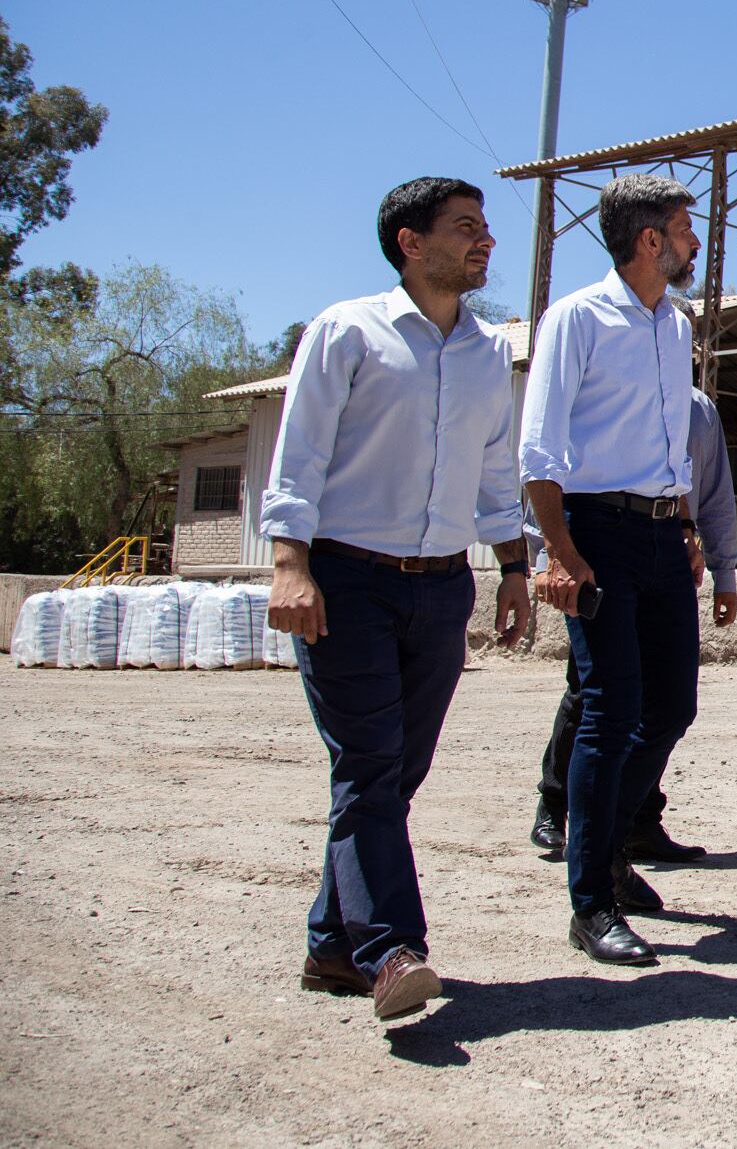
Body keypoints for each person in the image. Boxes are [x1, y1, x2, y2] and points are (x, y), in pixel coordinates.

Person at [263, 177, 531, 1023]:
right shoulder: (348, 331)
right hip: (346, 581)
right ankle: (392, 953)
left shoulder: (489, 351)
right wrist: (288, 562)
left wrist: (514, 568)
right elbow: (299, 452)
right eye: (464, 228)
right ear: (410, 243)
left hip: (441, 586)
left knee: (389, 775)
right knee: (371, 767)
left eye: (486, 229)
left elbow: (496, 471)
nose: (484, 241)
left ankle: (330, 944)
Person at [520, 174, 709, 967]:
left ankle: (613, 846)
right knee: (609, 710)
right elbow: (538, 450)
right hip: (598, 529)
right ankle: (591, 898)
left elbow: (671, 442)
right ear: (649, 241)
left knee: (670, 706)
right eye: (683, 228)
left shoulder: (675, 325)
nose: (693, 242)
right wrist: (558, 552)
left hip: (666, 535)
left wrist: (689, 526)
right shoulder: (576, 319)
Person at [530, 385, 737, 862]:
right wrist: (547, 556)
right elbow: (546, 467)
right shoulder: (604, 390)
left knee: (661, 701)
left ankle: (635, 821)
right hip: (599, 554)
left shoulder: (698, 409)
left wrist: (724, 569)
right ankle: (556, 803)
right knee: (594, 692)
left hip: (666, 558)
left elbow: (711, 491)